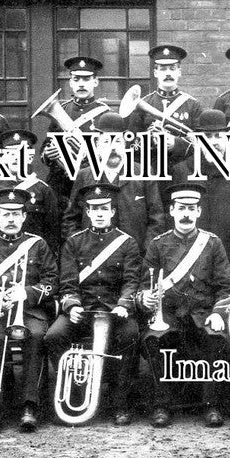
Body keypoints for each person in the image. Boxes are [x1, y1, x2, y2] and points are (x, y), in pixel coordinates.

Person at [137, 183, 230, 429]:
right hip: (168, 314)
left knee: (215, 337)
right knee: (153, 338)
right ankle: (161, 405)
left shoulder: (212, 243)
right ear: (171, 211)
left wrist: (218, 313)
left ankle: (211, 405)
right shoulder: (158, 245)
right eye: (181, 208)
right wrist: (145, 298)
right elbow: (142, 286)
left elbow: (226, 287)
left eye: (191, 209)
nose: (186, 214)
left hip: (202, 314)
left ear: (199, 212)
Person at [0, 187, 58, 435]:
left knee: (36, 335)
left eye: (16, 214)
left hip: (30, 312)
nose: (11, 219)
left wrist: (27, 293)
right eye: (6, 214)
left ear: (24, 216)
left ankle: (30, 406)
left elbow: (52, 281)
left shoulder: (38, 245)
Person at [46, 182, 142, 426]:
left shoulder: (127, 243)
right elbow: (67, 283)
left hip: (115, 312)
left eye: (104, 209)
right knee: (54, 336)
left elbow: (132, 282)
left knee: (130, 334)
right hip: (83, 311)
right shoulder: (74, 243)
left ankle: (120, 402)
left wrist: (124, 304)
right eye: (94, 209)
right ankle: (77, 391)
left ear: (112, 211)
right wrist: (72, 306)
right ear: (87, 212)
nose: (99, 214)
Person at [171, 110, 230, 289]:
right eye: (207, 136)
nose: (213, 142)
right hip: (192, 253)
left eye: (218, 136)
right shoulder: (182, 171)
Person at [64, 112, 164, 251]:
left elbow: (156, 218)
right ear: (97, 146)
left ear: (125, 144)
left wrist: (145, 252)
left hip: (134, 258)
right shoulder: (84, 176)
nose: (112, 148)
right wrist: (80, 247)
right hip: (93, 258)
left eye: (117, 141)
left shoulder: (143, 173)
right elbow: (71, 219)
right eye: (106, 142)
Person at [0, 129, 61, 253]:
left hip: (32, 259)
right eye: (10, 153)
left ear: (30, 158)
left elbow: (53, 233)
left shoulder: (43, 190)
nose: (15, 158)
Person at [40, 55, 111, 210]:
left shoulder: (105, 114)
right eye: (76, 79)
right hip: (61, 185)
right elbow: (47, 143)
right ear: (70, 82)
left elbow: (111, 152)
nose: (81, 84)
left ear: (95, 82)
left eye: (86, 79)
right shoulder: (61, 109)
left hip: (92, 181)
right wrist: (48, 153)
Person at [127, 45, 205, 185]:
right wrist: (150, 140)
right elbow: (131, 144)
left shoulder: (193, 105)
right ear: (155, 73)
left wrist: (176, 143)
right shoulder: (143, 105)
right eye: (163, 69)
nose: (168, 73)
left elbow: (203, 145)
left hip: (183, 173)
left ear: (179, 72)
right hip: (152, 174)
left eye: (172, 68)